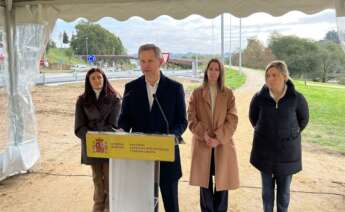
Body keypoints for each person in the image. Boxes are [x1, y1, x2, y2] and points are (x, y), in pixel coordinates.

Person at [118, 43, 187, 212]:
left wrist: (173, 136)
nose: (145, 65)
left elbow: (182, 121)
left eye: (150, 61)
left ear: (160, 61)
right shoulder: (131, 88)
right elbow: (125, 119)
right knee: (144, 206)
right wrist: (121, 130)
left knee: (171, 206)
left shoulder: (175, 88)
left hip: (167, 157)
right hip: (141, 157)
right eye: (142, 61)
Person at [249, 60, 309, 212]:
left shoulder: (297, 99)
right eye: (268, 75)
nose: (270, 78)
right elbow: (253, 118)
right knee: (267, 194)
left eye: (274, 75)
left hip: (287, 155)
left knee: (283, 195)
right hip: (264, 154)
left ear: (285, 77)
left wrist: (289, 134)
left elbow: (303, 120)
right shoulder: (258, 98)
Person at [188, 58, 240, 212]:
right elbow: (191, 118)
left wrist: (218, 138)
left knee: (222, 182)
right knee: (204, 183)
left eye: (217, 69)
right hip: (202, 143)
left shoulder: (228, 93)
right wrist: (204, 136)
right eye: (211, 68)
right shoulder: (196, 93)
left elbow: (232, 119)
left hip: (222, 144)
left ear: (221, 72)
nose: (213, 72)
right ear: (206, 71)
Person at [74, 68, 121, 212]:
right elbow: (79, 127)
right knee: (97, 180)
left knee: (109, 180)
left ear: (104, 78)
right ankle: (98, 206)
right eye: (93, 78)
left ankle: (109, 208)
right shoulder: (82, 100)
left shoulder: (115, 98)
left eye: (99, 77)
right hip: (91, 145)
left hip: (109, 144)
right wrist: (91, 137)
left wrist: (100, 135)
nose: (97, 80)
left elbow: (114, 125)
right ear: (88, 81)